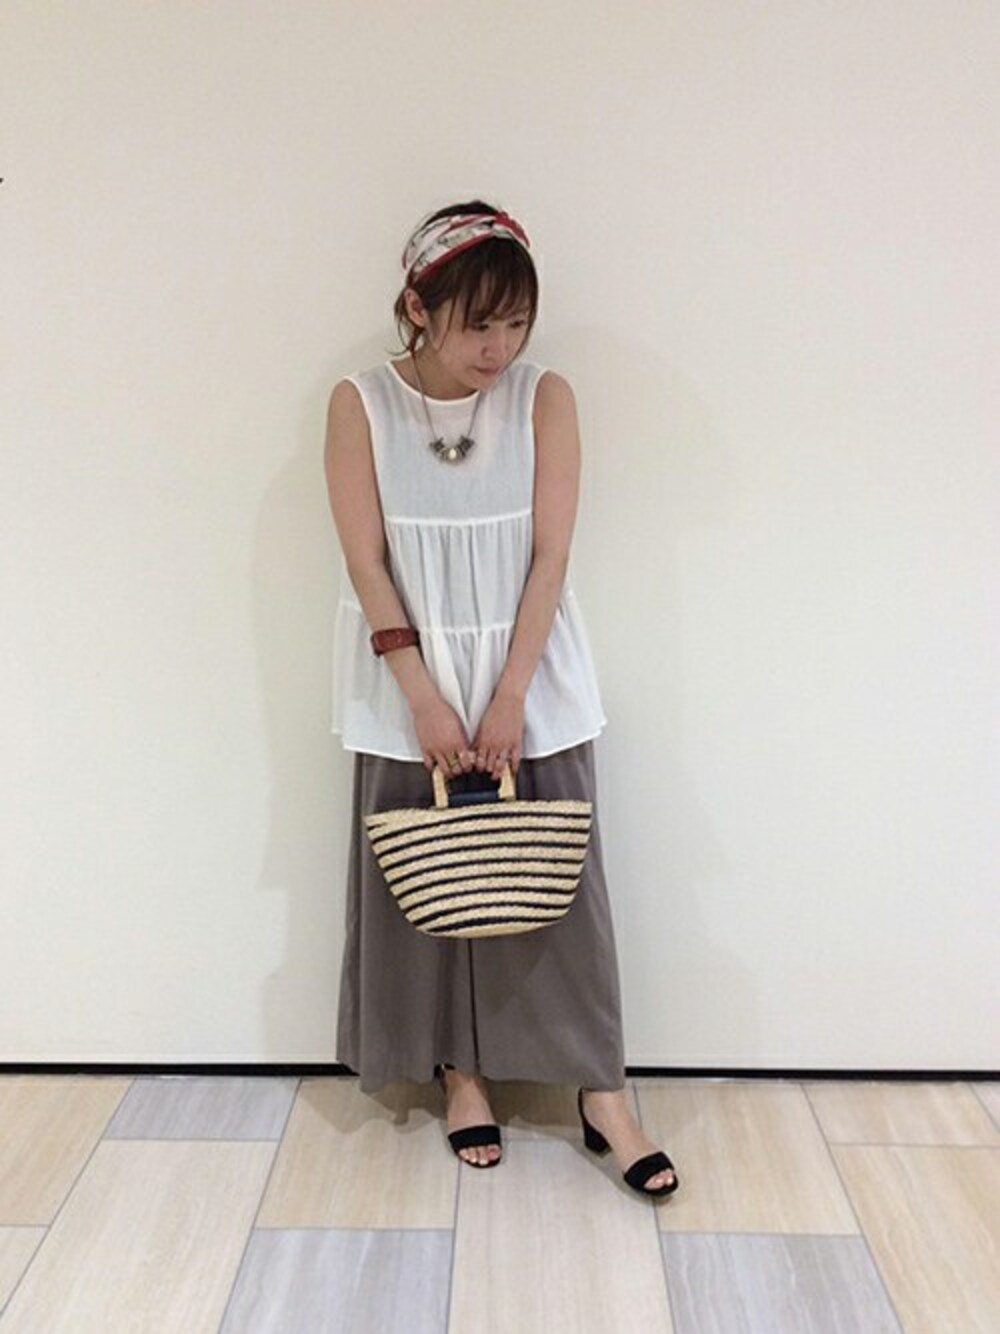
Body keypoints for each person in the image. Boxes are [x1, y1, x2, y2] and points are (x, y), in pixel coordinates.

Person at [323, 199, 678, 1197]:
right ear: (417, 307)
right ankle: (460, 1075)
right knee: (425, 888)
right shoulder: (360, 403)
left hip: (530, 674)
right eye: (478, 323)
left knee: (560, 890)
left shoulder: (543, 397)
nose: (499, 346)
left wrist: (512, 692)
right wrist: (423, 698)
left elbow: (551, 553)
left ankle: (603, 1095)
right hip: (407, 684)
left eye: (515, 322)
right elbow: (365, 561)